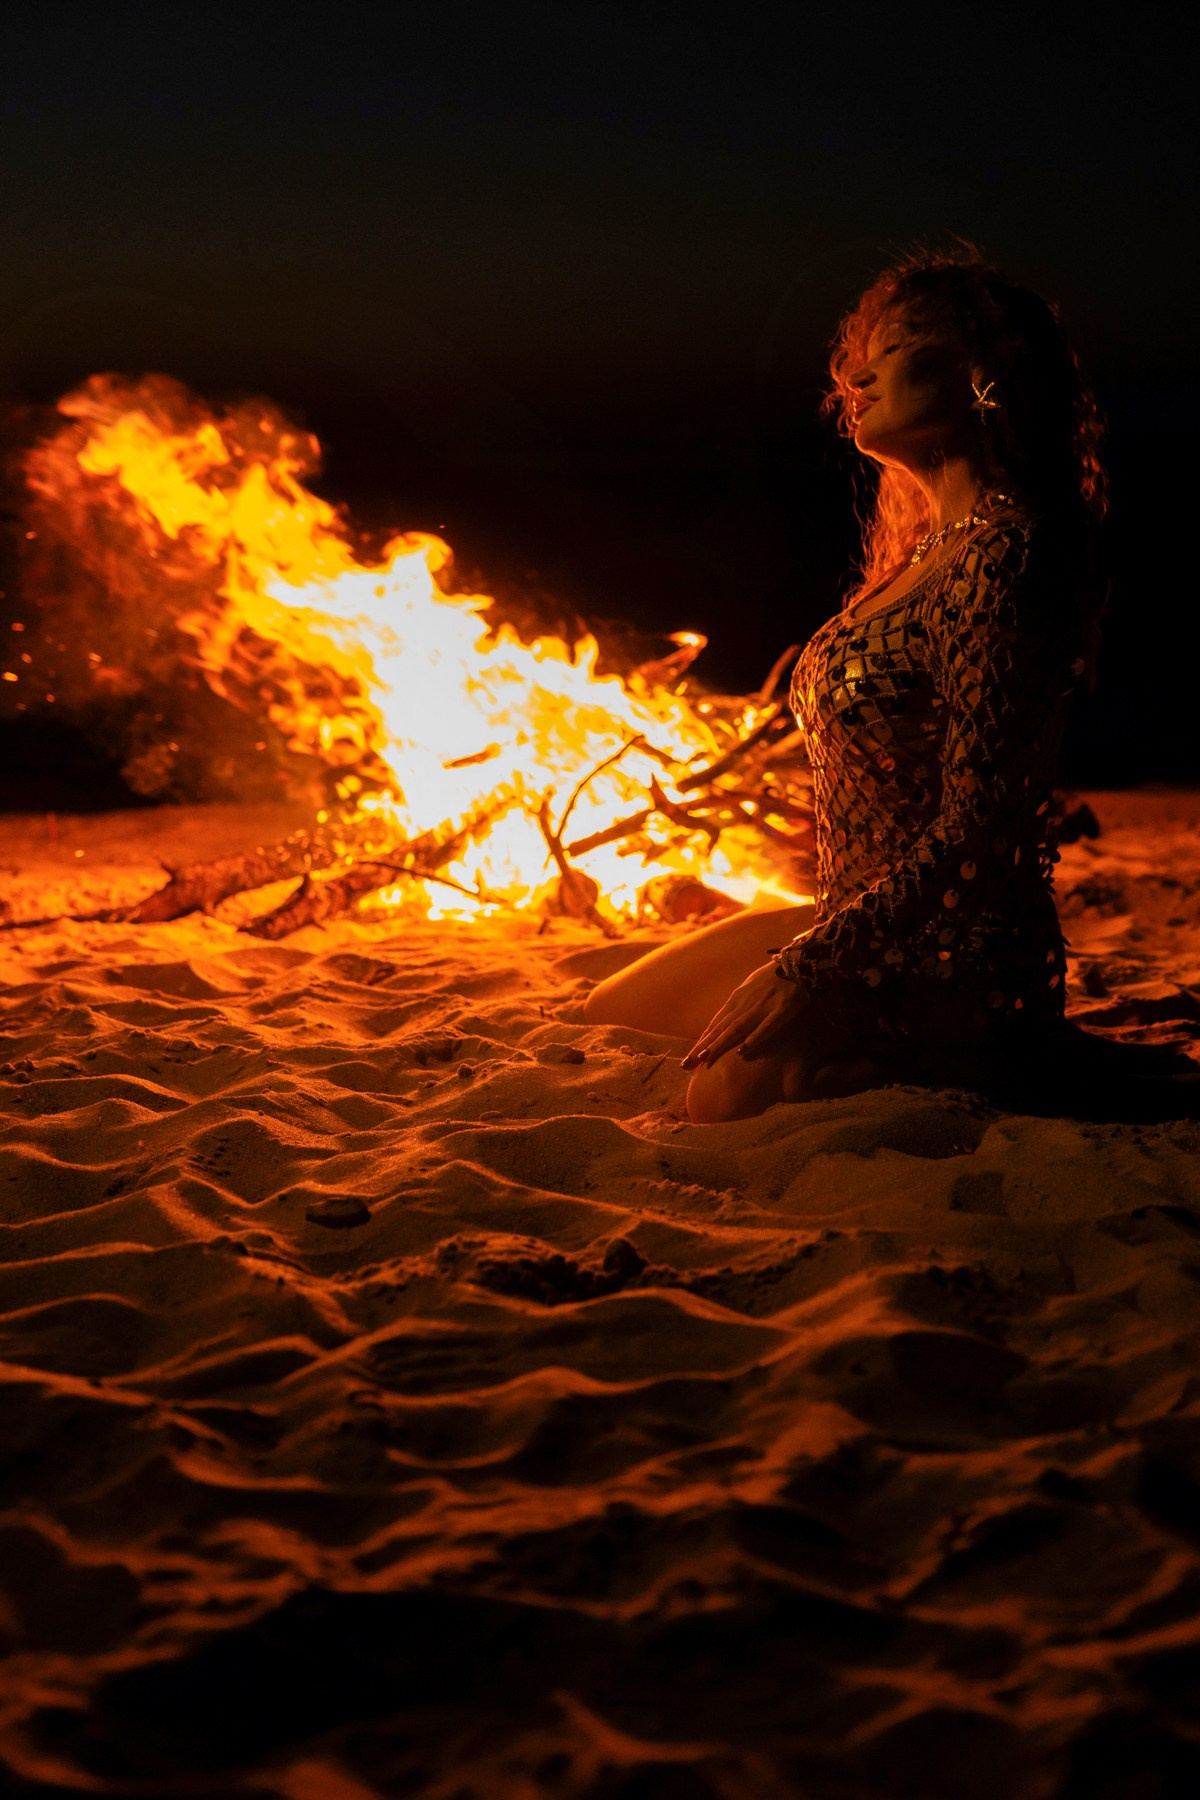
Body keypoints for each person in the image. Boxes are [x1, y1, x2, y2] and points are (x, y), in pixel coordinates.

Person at [584, 250, 1109, 1123]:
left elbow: (985, 829)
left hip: (954, 954)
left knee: (720, 1094)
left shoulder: (1009, 557)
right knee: (615, 1013)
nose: (857, 373)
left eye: (897, 347)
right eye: (860, 352)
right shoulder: (918, 555)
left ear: (983, 373)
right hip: (854, 923)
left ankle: (970, 1065)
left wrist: (813, 967)